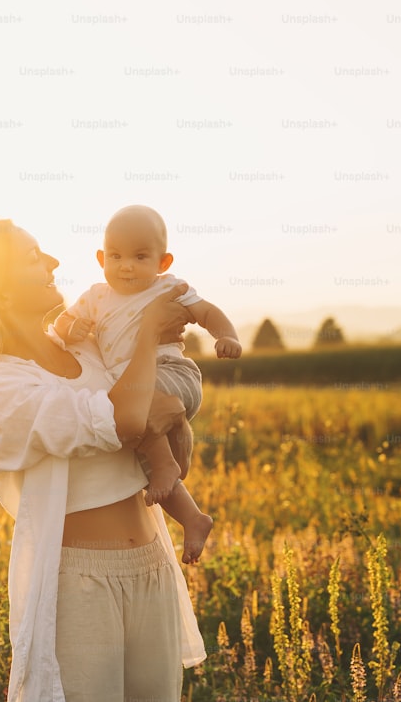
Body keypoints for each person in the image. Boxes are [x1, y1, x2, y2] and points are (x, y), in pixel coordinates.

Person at [0, 218, 207, 702]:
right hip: (80, 583)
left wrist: (154, 397)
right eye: (34, 256)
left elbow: (162, 410)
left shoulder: (86, 344)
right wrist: (145, 339)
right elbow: (125, 421)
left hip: (154, 567)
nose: (53, 262)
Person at [52, 204, 242, 563]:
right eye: (115, 256)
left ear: (163, 263)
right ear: (100, 258)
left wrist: (226, 335)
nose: (126, 265)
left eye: (140, 257)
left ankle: (171, 461)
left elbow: (207, 312)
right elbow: (64, 321)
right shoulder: (95, 297)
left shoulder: (168, 289)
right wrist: (70, 328)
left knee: (142, 420)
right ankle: (193, 518)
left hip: (171, 373)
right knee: (144, 460)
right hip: (135, 387)